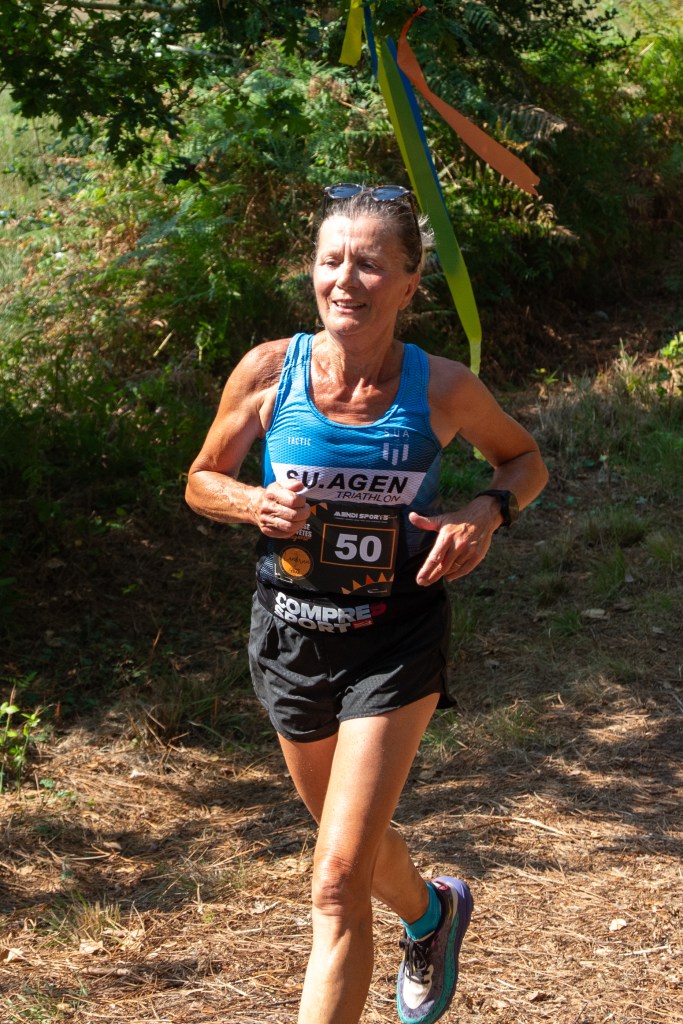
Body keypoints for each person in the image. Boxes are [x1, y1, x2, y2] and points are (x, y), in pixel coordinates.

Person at [185, 182, 549, 1024]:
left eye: (370, 265)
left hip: (394, 638)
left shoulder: (442, 387)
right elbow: (201, 480)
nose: (344, 281)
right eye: (330, 261)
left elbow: (523, 459)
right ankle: (431, 912)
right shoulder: (269, 371)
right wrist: (252, 503)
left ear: (410, 284)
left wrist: (485, 512)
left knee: (336, 879)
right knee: (350, 840)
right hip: (290, 638)